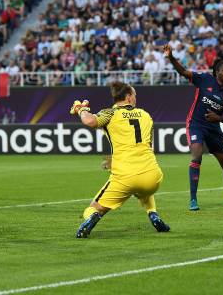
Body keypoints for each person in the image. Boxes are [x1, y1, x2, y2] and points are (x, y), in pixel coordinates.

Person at [71, 82, 170, 238]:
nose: (135, 98)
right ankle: (153, 214)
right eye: (135, 95)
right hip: (153, 175)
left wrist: (81, 109)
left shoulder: (110, 113)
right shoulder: (145, 115)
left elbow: (89, 121)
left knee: (93, 207)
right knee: (143, 190)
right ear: (129, 97)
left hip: (125, 177)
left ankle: (93, 216)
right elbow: (149, 147)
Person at [163, 44, 223, 211]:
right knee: (197, 156)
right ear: (217, 72)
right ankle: (193, 200)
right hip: (196, 124)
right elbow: (183, 72)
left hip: (215, 129)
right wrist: (171, 58)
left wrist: (218, 118)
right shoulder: (204, 79)